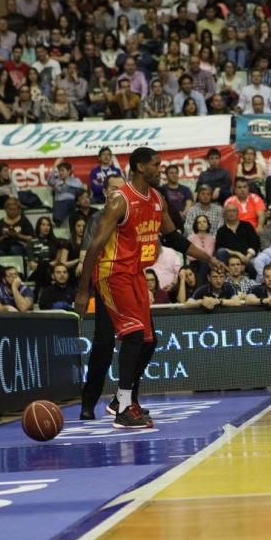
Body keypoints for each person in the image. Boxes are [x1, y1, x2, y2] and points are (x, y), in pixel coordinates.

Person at [75, 148, 224, 429]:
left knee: (148, 340)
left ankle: (123, 400)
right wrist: (83, 292)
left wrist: (209, 258)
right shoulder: (120, 200)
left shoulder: (157, 199)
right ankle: (122, 406)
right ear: (141, 167)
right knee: (128, 337)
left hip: (135, 274)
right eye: (157, 164)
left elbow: (173, 238)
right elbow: (94, 246)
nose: (161, 168)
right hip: (111, 273)